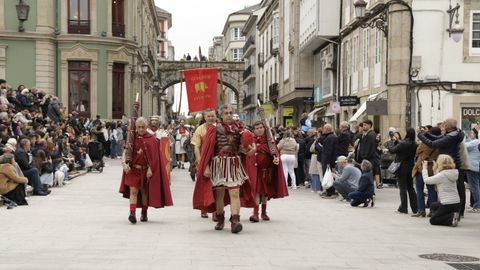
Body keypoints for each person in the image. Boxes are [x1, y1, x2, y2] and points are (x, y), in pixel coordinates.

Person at [192, 105, 256, 234]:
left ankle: (235, 221)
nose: (229, 115)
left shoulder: (240, 130)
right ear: (221, 115)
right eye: (226, 113)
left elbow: (244, 149)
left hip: (234, 163)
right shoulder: (213, 129)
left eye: (231, 113)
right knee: (219, 194)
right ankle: (220, 218)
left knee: (235, 192)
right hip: (219, 164)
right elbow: (206, 150)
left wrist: (251, 150)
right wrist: (205, 167)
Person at [119, 117, 173, 224]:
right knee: (133, 191)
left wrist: (150, 169)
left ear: (146, 126)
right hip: (133, 169)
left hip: (145, 171)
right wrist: (124, 163)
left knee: (144, 192)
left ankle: (144, 213)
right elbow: (125, 151)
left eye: (143, 127)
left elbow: (154, 158)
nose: (141, 129)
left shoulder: (152, 139)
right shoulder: (132, 138)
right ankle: (132, 213)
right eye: (138, 127)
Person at [417, 118, 466, 217]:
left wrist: (420, 135)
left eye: (444, 123)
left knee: (457, 188)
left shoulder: (451, 137)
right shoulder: (454, 133)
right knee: (455, 188)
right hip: (450, 163)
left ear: (448, 126)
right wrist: (426, 133)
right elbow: (438, 138)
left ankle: (458, 211)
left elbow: (433, 144)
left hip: (450, 164)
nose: (443, 125)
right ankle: (456, 211)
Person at [247, 121, 288, 222]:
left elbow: (275, 153)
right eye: (257, 128)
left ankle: (264, 213)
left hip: (266, 171)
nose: (259, 130)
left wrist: (276, 159)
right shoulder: (251, 140)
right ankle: (255, 214)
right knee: (256, 191)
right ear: (253, 130)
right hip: (255, 172)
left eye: (261, 127)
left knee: (265, 193)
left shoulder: (269, 141)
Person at [191, 108, 217, 218]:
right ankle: (203, 208)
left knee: (216, 186)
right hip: (203, 159)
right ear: (205, 117)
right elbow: (196, 147)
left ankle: (216, 211)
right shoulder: (200, 130)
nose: (210, 118)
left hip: (216, 161)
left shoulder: (219, 128)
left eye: (212, 116)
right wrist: (201, 162)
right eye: (208, 116)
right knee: (203, 185)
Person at [423, 155, 461, 227]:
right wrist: (435, 170)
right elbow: (438, 178)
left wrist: (424, 169)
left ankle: (451, 218)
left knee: (433, 220)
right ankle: (452, 215)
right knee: (433, 206)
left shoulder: (442, 175)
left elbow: (427, 180)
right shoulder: (453, 173)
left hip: (447, 204)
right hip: (456, 203)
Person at [411, 127, 441, 217]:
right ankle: (432, 211)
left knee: (419, 190)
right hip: (433, 167)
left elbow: (417, 151)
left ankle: (421, 210)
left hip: (422, 167)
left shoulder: (425, 143)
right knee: (432, 190)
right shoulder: (440, 143)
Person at [388, 128, 418, 214]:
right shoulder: (415, 144)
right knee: (411, 187)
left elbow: (392, 150)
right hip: (410, 167)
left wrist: (390, 142)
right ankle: (415, 208)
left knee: (402, 188)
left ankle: (403, 207)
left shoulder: (403, 143)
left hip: (401, 167)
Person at [357, 120, 381, 188]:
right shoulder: (368, 134)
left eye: (365, 125)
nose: (363, 126)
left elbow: (369, 147)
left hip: (369, 158)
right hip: (368, 157)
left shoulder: (371, 134)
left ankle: (370, 189)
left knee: (369, 173)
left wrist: (364, 156)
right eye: (363, 125)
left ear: (369, 125)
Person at [319, 124, 338, 198]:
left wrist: (327, 162)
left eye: (324, 128)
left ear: (327, 129)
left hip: (328, 160)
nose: (323, 130)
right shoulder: (331, 137)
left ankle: (330, 192)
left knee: (328, 175)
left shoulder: (330, 138)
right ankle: (329, 191)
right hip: (330, 160)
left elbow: (328, 151)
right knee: (329, 175)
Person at [465, 127, 480, 213]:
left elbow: (464, 145)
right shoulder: (476, 142)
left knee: (474, 187)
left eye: (472, 133)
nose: (471, 134)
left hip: (472, 167)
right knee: (477, 186)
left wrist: (464, 138)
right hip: (476, 166)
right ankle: (476, 204)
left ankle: (477, 205)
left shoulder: (476, 141)